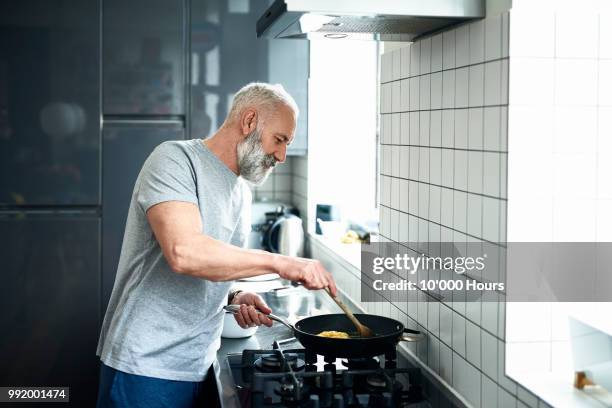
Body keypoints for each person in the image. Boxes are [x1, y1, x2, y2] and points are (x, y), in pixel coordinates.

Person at [96, 83, 337, 407]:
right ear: (249, 121)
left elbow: (214, 267)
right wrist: (282, 262)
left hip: (197, 364)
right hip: (144, 364)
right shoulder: (175, 160)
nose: (281, 155)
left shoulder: (241, 193)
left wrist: (236, 295)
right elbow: (185, 253)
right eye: (279, 140)